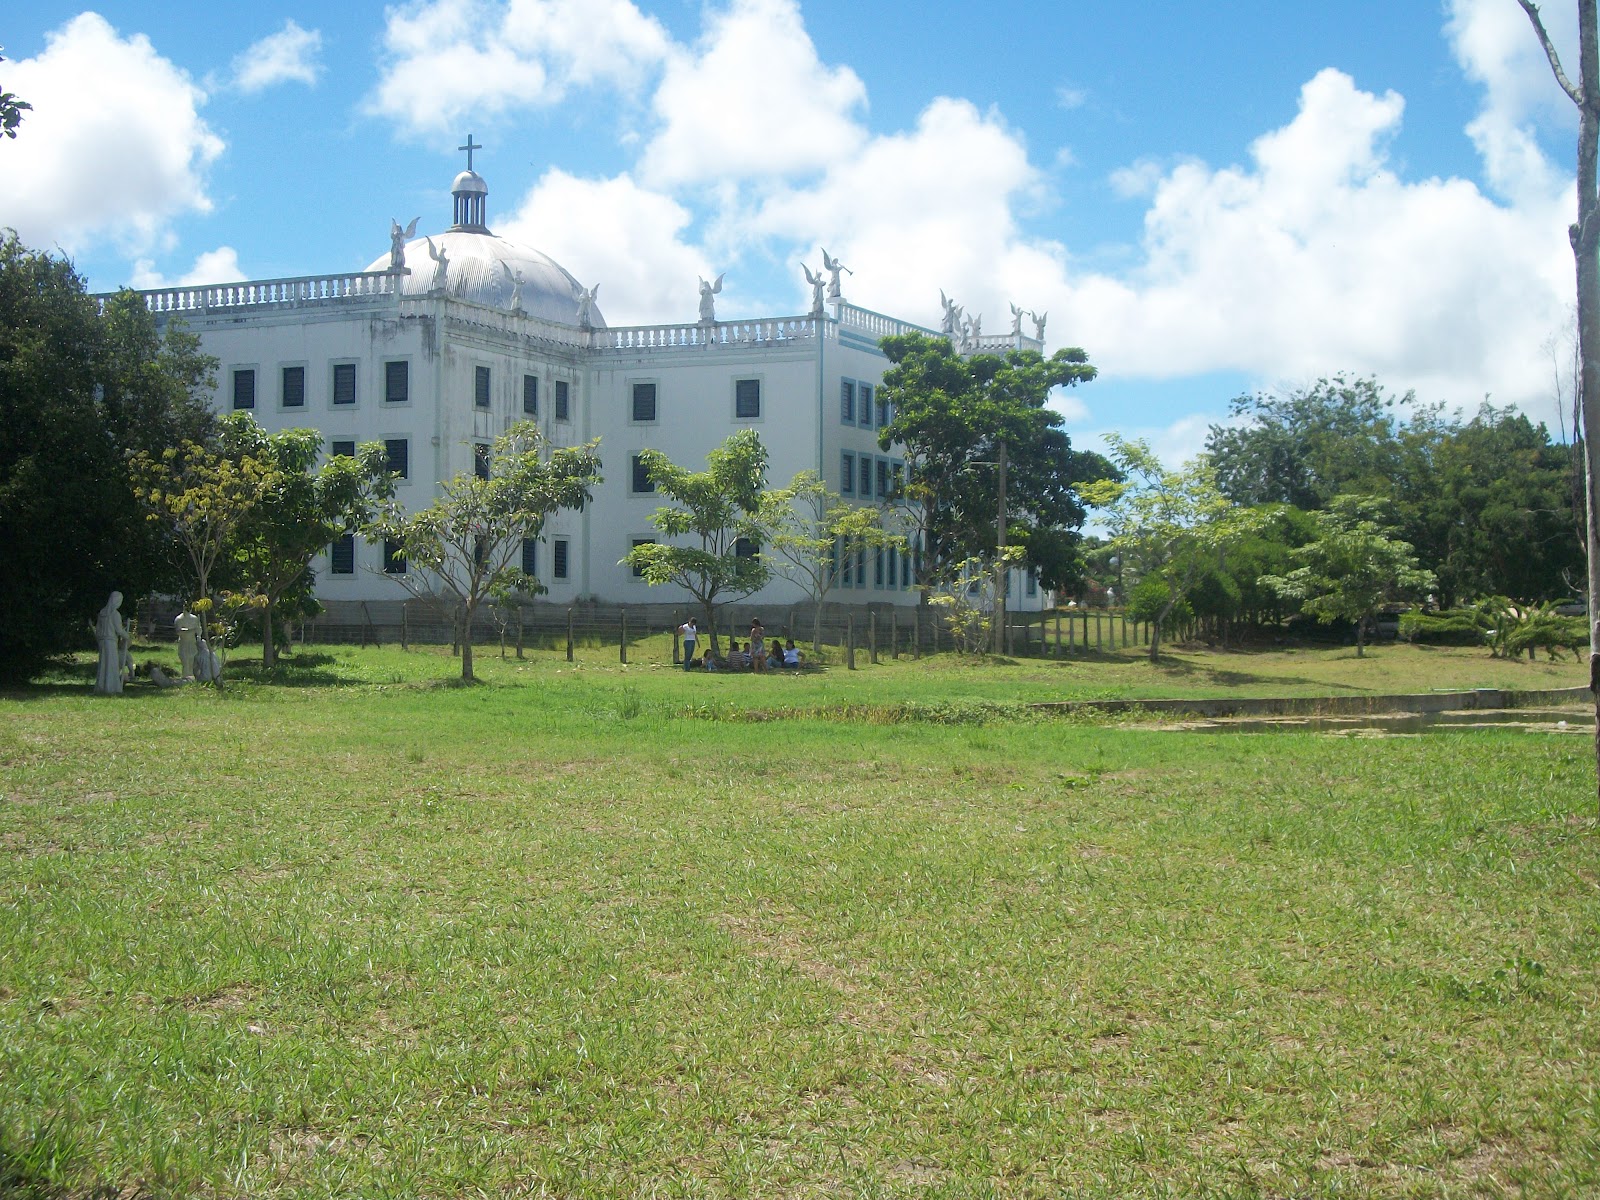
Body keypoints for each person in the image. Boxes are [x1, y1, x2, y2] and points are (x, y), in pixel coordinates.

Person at [94, 591, 130, 695]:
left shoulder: (102, 613)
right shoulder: (115, 614)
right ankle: (111, 687)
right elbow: (118, 630)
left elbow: (98, 629)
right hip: (110, 641)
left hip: (102, 641)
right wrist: (127, 636)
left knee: (104, 663)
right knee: (111, 664)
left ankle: (102, 686)